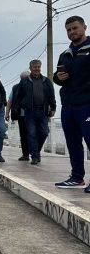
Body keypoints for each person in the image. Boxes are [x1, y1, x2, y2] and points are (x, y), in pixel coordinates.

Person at [53, 15, 90, 188]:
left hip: (87, 104)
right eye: (68, 30)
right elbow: (57, 77)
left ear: (84, 27)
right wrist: (58, 77)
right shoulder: (65, 55)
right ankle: (77, 178)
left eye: (75, 28)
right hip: (68, 106)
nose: (72, 32)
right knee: (73, 144)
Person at [15, 59, 56, 165]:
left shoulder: (46, 81)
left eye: (38, 67)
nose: (37, 69)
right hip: (30, 112)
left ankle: (36, 151)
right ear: (30, 68)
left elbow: (52, 95)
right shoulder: (25, 81)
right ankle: (34, 157)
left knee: (44, 132)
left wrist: (53, 108)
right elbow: (19, 96)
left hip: (43, 111)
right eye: (34, 67)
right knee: (31, 134)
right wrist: (23, 105)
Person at [5, 71, 30, 161]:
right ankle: (26, 154)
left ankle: (35, 153)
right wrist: (7, 113)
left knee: (34, 133)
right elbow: (10, 101)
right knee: (23, 135)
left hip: (33, 114)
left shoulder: (34, 85)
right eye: (23, 78)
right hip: (21, 114)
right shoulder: (16, 88)